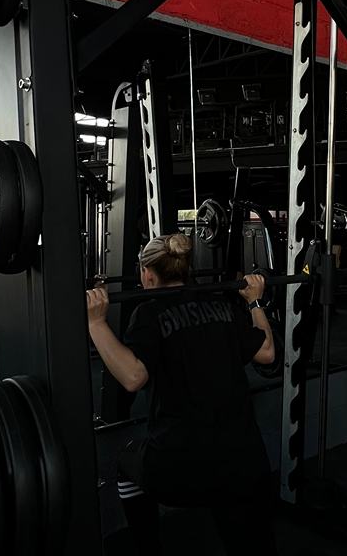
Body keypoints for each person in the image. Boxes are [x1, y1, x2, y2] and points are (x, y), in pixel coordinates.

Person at [86, 233, 279, 555]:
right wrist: (254, 302)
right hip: (244, 464)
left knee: (126, 465)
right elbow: (268, 353)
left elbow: (133, 377)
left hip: (179, 472)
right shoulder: (221, 304)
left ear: (148, 274)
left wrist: (96, 323)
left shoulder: (148, 313)